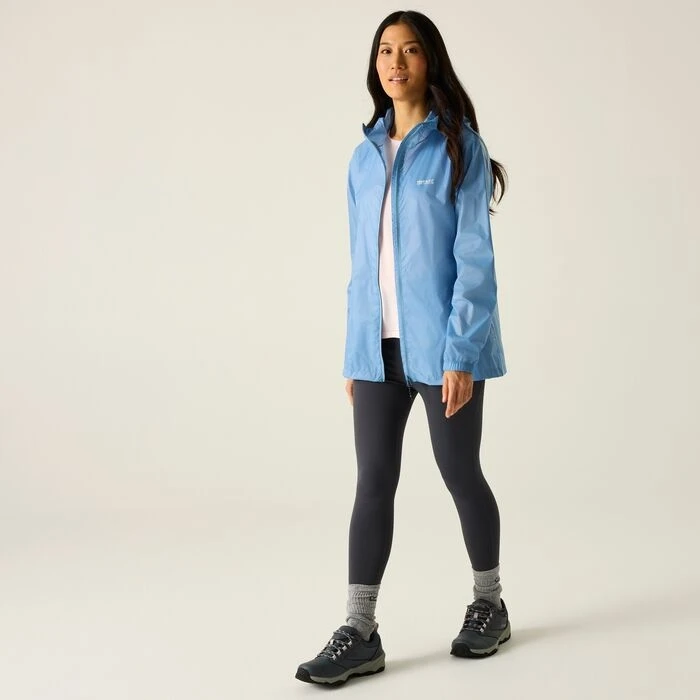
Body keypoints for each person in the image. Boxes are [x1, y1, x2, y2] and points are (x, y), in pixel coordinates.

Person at [295, 10, 510, 686]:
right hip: (376, 351)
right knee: (373, 482)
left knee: (460, 472)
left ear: (429, 61)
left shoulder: (458, 147)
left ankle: (489, 604)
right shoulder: (363, 157)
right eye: (385, 51)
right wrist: (355, 352)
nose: (395, 62)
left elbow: (474, 260)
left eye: (410, 51)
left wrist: (461, 353)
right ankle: (360, 630)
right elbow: (362, 264)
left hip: (444, 349)